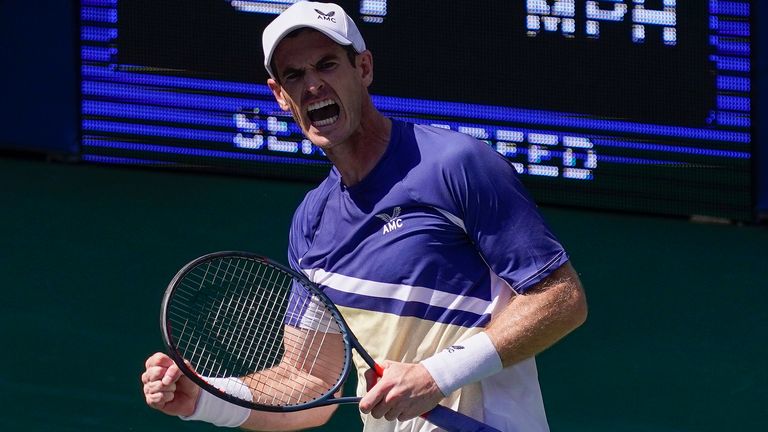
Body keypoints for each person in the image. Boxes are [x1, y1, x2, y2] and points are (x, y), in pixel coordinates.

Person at [141, 2, 588, 431]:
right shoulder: (312, 224)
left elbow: (561, 299)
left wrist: (437, 375)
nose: (312, 84)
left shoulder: (457, 165)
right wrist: (206, 399)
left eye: (327, 65)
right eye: (294, 75)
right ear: (280, 96)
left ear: (365, 69)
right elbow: (310, 381)